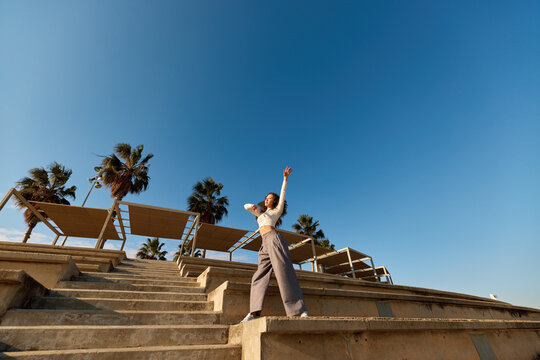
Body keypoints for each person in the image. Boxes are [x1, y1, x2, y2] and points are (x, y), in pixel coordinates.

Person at [241, 166, 308, 322]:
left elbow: (283, 194)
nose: (267, 199)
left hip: (274, 239)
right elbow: (245, 206)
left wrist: (285, 179)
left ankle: (299, 311)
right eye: (266, 197)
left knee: (283, 272)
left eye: (270, 197)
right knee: (258, 276)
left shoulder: (276, 211)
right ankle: (254, 313)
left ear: (275, 201)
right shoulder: (261, 214)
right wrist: (253, 207)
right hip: (264, 244)